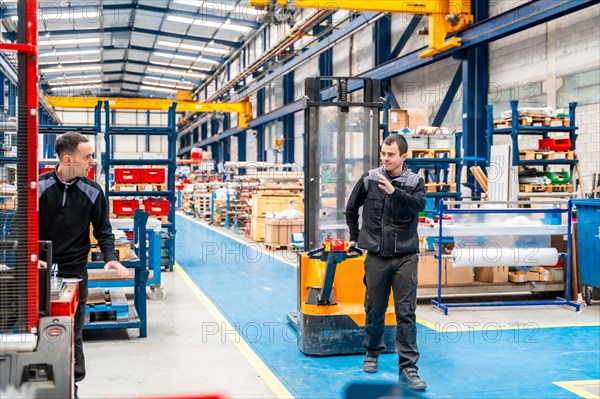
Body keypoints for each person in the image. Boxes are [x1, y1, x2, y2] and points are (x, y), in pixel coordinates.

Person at [38, 132, 129, 398]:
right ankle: (41, 384)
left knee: (73, 333)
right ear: (68, 159)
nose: (91, 161)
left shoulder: (92, 191)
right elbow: (22, 226)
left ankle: (71, 387)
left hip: (75, 273)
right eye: (87, 157)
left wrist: (111, 257)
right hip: (41, 271)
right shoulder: (39, 188)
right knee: (40, 330)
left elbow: (103, 230)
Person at [345, 134, 427, 391]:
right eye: (383, 153)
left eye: (391, 154)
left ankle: (408, 368)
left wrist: (395, 192)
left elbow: (419, 206)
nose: (385, 158)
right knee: (374, 307)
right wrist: (354, 237)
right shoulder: (370, 178)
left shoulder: (415, 182)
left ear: (404, 156)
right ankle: (372, 352)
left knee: (406, 313)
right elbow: (351, 208)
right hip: (376, 256)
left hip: (405, 256)